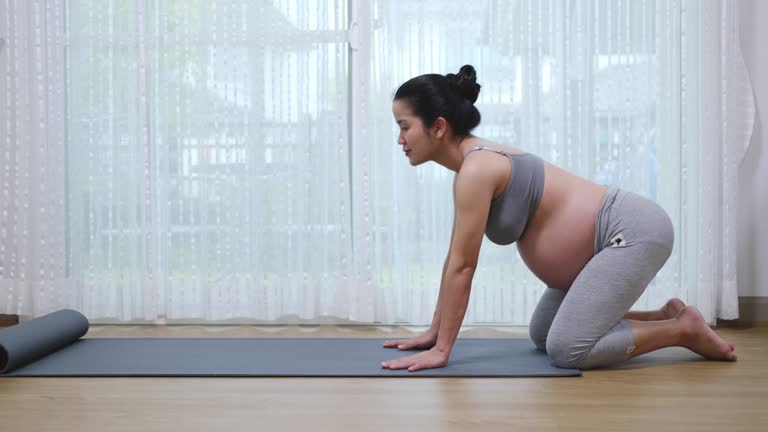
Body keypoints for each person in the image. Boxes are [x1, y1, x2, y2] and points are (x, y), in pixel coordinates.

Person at [380, 65, 737, 372]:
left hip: (630, 231)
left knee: (568, 349)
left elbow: (463, 268)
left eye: (404, 126)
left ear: (438, 127)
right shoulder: (471, 169)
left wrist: (443, 350)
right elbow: (454, 259)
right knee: (544, 333)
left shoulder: (477, 168)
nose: (400, 139)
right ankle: (663, 316)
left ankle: (683, 329)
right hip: (597, 249)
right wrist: (433, 330)